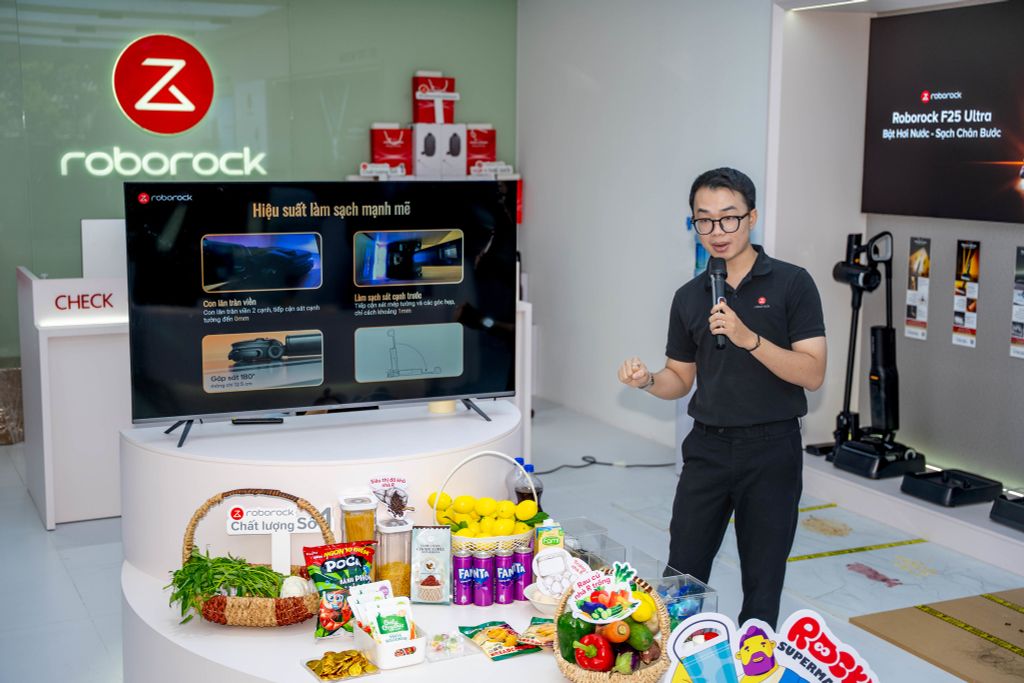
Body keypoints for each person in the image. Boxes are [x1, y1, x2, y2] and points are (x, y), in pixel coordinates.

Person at [617, 167, 826, 629]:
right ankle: (677, 653)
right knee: (682, 574)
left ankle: (756, 657)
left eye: (729, 217)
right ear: (693, 222)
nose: (717, 231)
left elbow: (813, 373)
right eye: (704, 219)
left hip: (772, 449)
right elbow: (679, 378)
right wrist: (648, 380)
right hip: (708, 448)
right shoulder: (689, 296)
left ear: (752, 218)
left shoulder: (792, 283)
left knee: (763, 579)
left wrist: (749, 338)